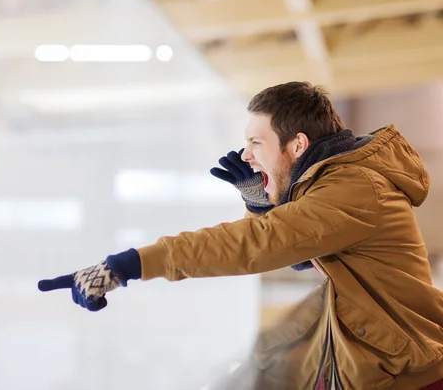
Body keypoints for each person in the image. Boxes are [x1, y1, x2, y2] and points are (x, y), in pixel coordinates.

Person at [38, 82, 443, 389]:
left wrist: (127, 265)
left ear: (297, 145)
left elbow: (258, 244)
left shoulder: (352, 188)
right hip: (385, 363)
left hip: (411, 370)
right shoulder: (334, 183)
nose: (246, 155)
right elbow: (297, 250)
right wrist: (261, 202)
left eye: (256, 142)